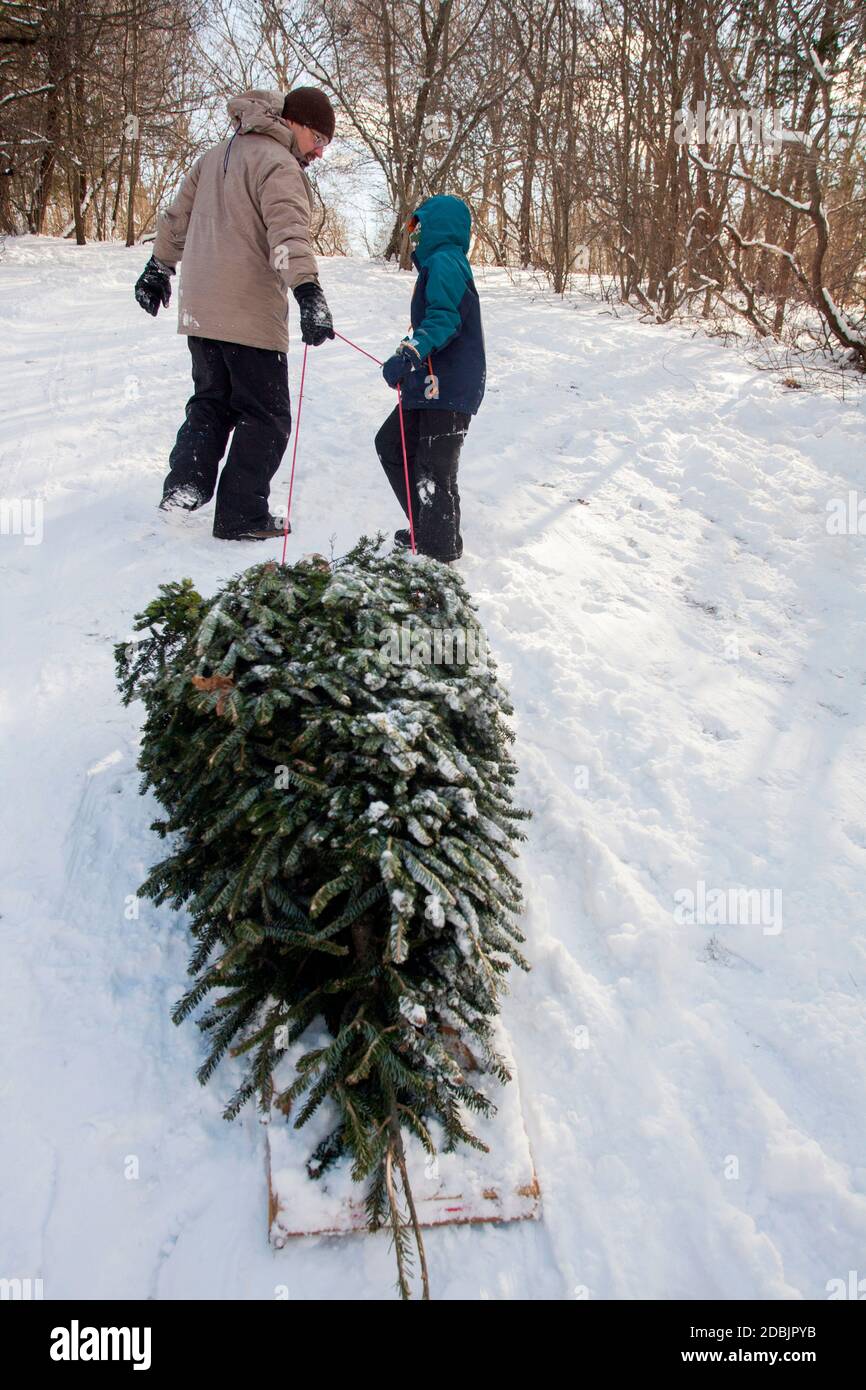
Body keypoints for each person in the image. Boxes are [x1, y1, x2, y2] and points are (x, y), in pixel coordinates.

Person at [134, 87, 336, 541]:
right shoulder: (279, 164)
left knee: (211, 403)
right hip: (249, 314)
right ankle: (240, 515)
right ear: (294, 123)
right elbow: (287, 235)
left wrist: (157, 268)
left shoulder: (214, 155)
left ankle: (185, 487)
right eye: (318, 136)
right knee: (266, 416)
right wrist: (308, 292)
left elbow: (175, 219)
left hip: (203, 313)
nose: (320, 150)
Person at [376, 194, 486, 564]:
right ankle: (429, 527)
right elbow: (430, 324)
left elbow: (444, 318)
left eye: (421, 227)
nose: (417, 237)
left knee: (434, 466)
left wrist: (411, 352)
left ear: (440, 226)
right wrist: (407, 357)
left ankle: (439, 550)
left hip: (449, 387)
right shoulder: (437, 265)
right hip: (427, 385)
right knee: (391, 445)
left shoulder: (446, 261)